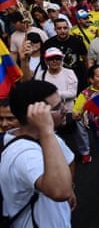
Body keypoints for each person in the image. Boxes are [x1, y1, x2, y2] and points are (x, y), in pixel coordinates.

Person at [0, 80, 75, 227]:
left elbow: (68, 162)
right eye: (57, 107)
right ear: (35, 115)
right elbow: (60, 191)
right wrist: (46, 129)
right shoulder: (23, 153)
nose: (65, 109)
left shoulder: (48, 138)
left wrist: (70, 186)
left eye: (62, 103)